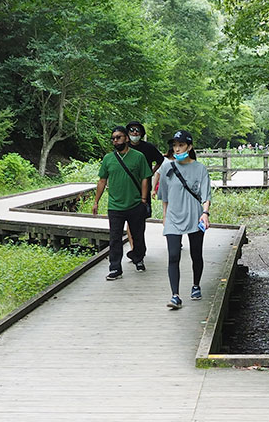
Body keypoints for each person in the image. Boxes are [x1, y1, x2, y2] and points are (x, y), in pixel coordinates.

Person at [156, 129, 212, 309]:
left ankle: (196, 285)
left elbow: (206, 194)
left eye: (181, 145)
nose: (177, 149)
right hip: (173, 217)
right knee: (173, 255)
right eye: (174, 146)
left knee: (196, 254)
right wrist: (164, 216)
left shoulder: (200, 168)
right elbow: (163, 194)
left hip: (195, 216)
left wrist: (205, 213)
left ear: (189, 146)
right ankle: (175, 295)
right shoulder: (167, 167)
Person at [91, 126, 150, 280]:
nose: (115, 140)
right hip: (115, 206)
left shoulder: (138, 157)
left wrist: (143, 199)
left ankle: (138, 258)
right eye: (113, 138)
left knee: (138, 235)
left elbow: (145, 178)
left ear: (126, 138)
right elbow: (102, 180)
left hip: (135, 203)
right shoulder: (108, 159)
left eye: (119, 137)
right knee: (115, 237)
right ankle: (115, 268)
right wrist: (96, 201)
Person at [124, 121, 164, 260]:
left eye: (138, 130)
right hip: (127, 189)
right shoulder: (124, 148)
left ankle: (140, 246)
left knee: (140, 219)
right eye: (132, 130)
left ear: (141, 133)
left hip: (144, 189)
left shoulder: (148, 148)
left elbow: (161, 160)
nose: (135, 133)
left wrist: (151, 172)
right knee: (129, 219)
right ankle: (134, 248)